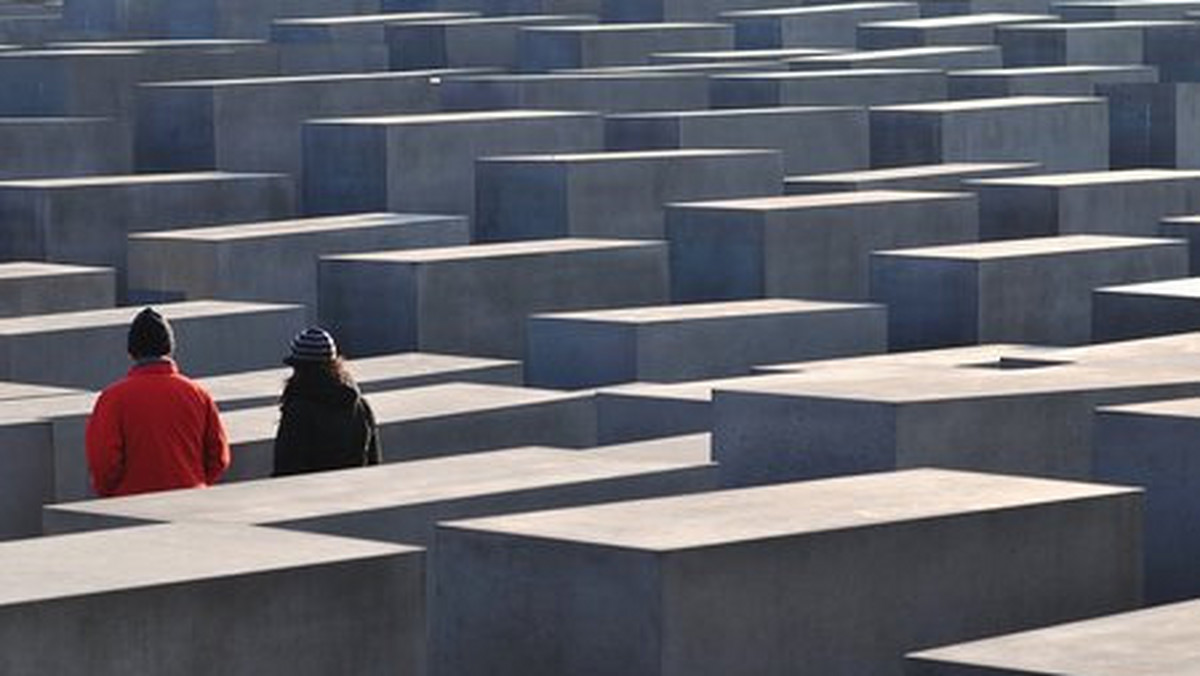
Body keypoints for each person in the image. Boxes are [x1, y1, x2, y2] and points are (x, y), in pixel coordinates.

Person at [86, 308, 230, 498]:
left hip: (131, 509)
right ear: (170, 349)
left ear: (131, 352)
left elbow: (104, 462)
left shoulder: (113, 398)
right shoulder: (198, 395)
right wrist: (194, 482)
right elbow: (219, 458)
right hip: (190, 503)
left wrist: (113, 497)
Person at [272, 327, 381, 477]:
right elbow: (373, 463)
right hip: (354, 494)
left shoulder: (299, 411)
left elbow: (286, 467)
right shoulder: (361, 406)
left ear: (300, 368)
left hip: (308, 497)